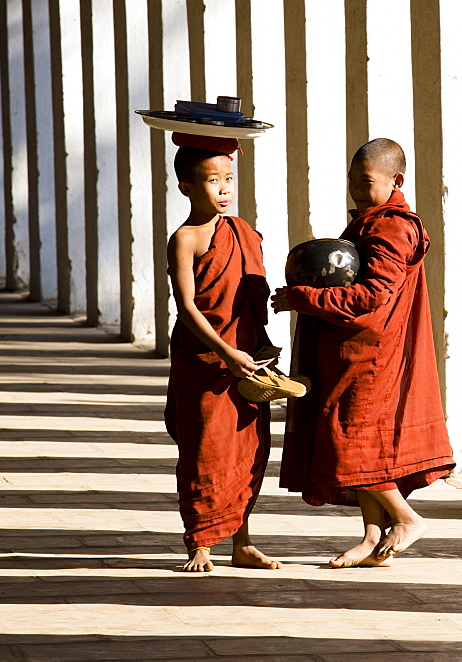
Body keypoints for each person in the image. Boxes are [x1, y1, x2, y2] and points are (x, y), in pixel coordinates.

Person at [271, 138, 455, 568]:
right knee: (362, 442)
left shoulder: (393, 227)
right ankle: (372, 538)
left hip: (375, 354)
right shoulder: (371, 222)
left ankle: (406, 519)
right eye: (352, 179)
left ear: (397, 181)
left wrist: (305, 299)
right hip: (353, 348)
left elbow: (370, 296)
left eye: (365, 181)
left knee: (350, 440)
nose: (356, 188)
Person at [164, 134, 281, 572]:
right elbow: (188, 307)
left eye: (229, 178)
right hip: (206, 362)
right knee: (205, 451)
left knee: (247, 452)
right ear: (187, 188)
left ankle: (243, 541)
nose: (225, 188)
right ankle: (200, 542)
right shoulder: (186, 239)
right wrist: (226, 352)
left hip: (245, 360)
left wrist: (259, 346)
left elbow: (252, 299)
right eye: (213, 180)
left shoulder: (244, 233)